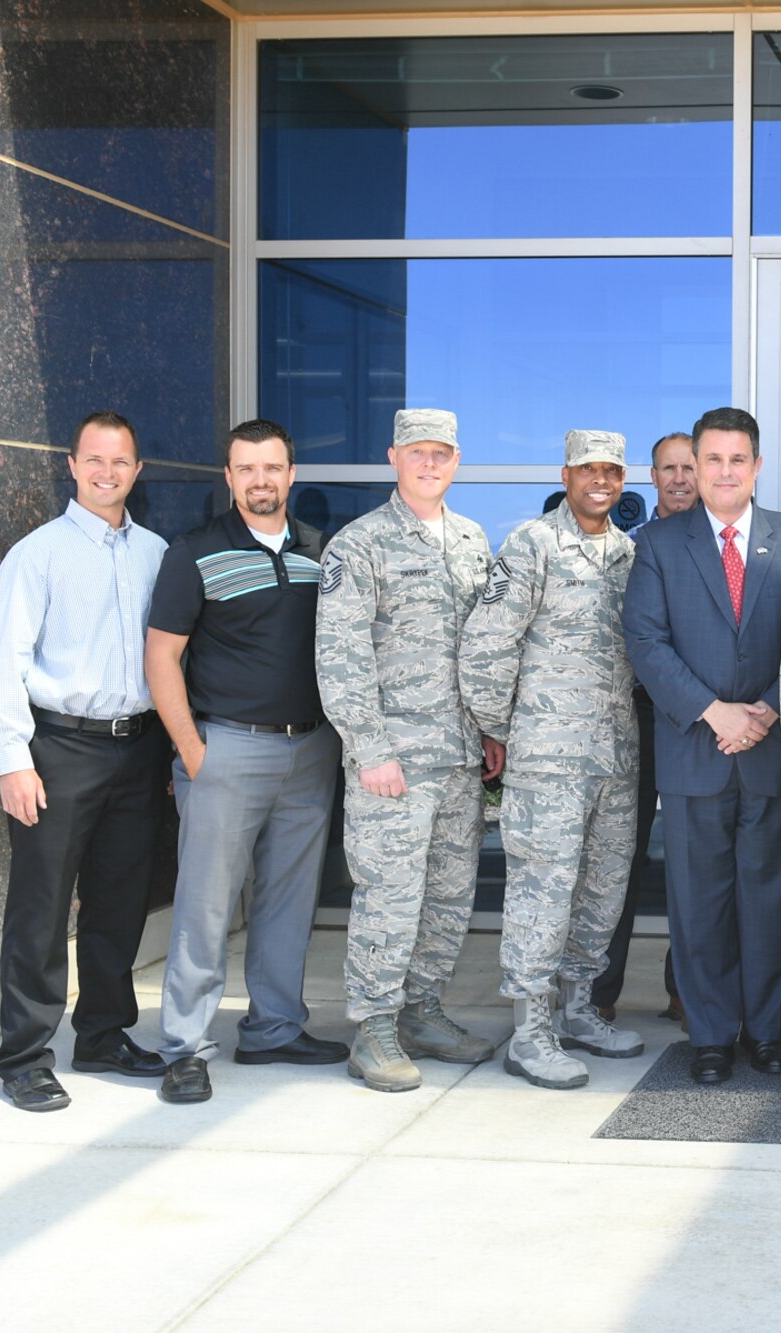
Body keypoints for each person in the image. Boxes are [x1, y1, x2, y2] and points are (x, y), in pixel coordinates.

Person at [622, 407, 781, 1086]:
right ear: (696, 462)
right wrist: (715, 712)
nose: (723, 471)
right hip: (696, 751)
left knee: (769, 900)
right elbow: (646, 643)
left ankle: (765, 1032)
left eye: (736, 459)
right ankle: (710, 1035)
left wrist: (766, 709)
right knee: (699, 901)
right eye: (711, 459)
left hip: (771, 750)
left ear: (757, 465)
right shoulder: (657, 542)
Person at [148, 419, 346, 1105]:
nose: (261, 480)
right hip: (226, 748)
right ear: (228, 478)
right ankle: (186, 1045)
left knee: (290, 900)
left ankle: (273, 1027)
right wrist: (192, 749)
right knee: (205, 905)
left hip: (312, 748)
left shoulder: (325, 553)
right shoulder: (195, 552)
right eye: (246, 469)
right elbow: (161, 656)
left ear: (292, 475)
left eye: (273, 468)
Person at [0, 412, 169, 1111]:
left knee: (119, 901)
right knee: (40, 906)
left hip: (136, 746)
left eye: (120, 461)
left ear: (137, 470)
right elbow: (2, 664)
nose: (107, 472)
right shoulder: (38, 554)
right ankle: (25, 1055)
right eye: (95, 459)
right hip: (57, 748)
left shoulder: (156, 551)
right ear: (72, 464)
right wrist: (12, 761)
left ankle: (102, 1035)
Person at [317, 409, 501, 1093]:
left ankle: (422, 1009)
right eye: (418, 452)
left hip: (457, 756)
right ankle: (373, 1026)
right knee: (390, 896)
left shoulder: (473, 538)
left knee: (448, 896)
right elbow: (340, 653)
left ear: (457, 461)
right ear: (394, 456)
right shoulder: (359, 544)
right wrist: (369, 747)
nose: (431, 464)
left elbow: (486, 643)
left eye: (443, 453)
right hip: (392, 759)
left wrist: (491, 730)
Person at [460, 430, 645, 1090]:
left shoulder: (628, 553)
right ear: (566, 474)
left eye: (613, 470)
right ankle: (530, 1029)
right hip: (547, 757)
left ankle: (577, 1009)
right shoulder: (532, 544)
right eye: (588, 469)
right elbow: (487, 644)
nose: (601, 480)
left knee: (602, 889)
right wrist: (504, 729)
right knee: (542, 892)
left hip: (613, 755)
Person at [592, 431, 695, 1027]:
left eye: (689, 467)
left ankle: (686, 987)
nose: (679, 478)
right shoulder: (620, 549)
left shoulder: (715, 545)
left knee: (691, 860)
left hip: (695, 725)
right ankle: (600, 990)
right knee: (618, 859)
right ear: (650, 477)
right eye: (668, 469)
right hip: (630, 719)